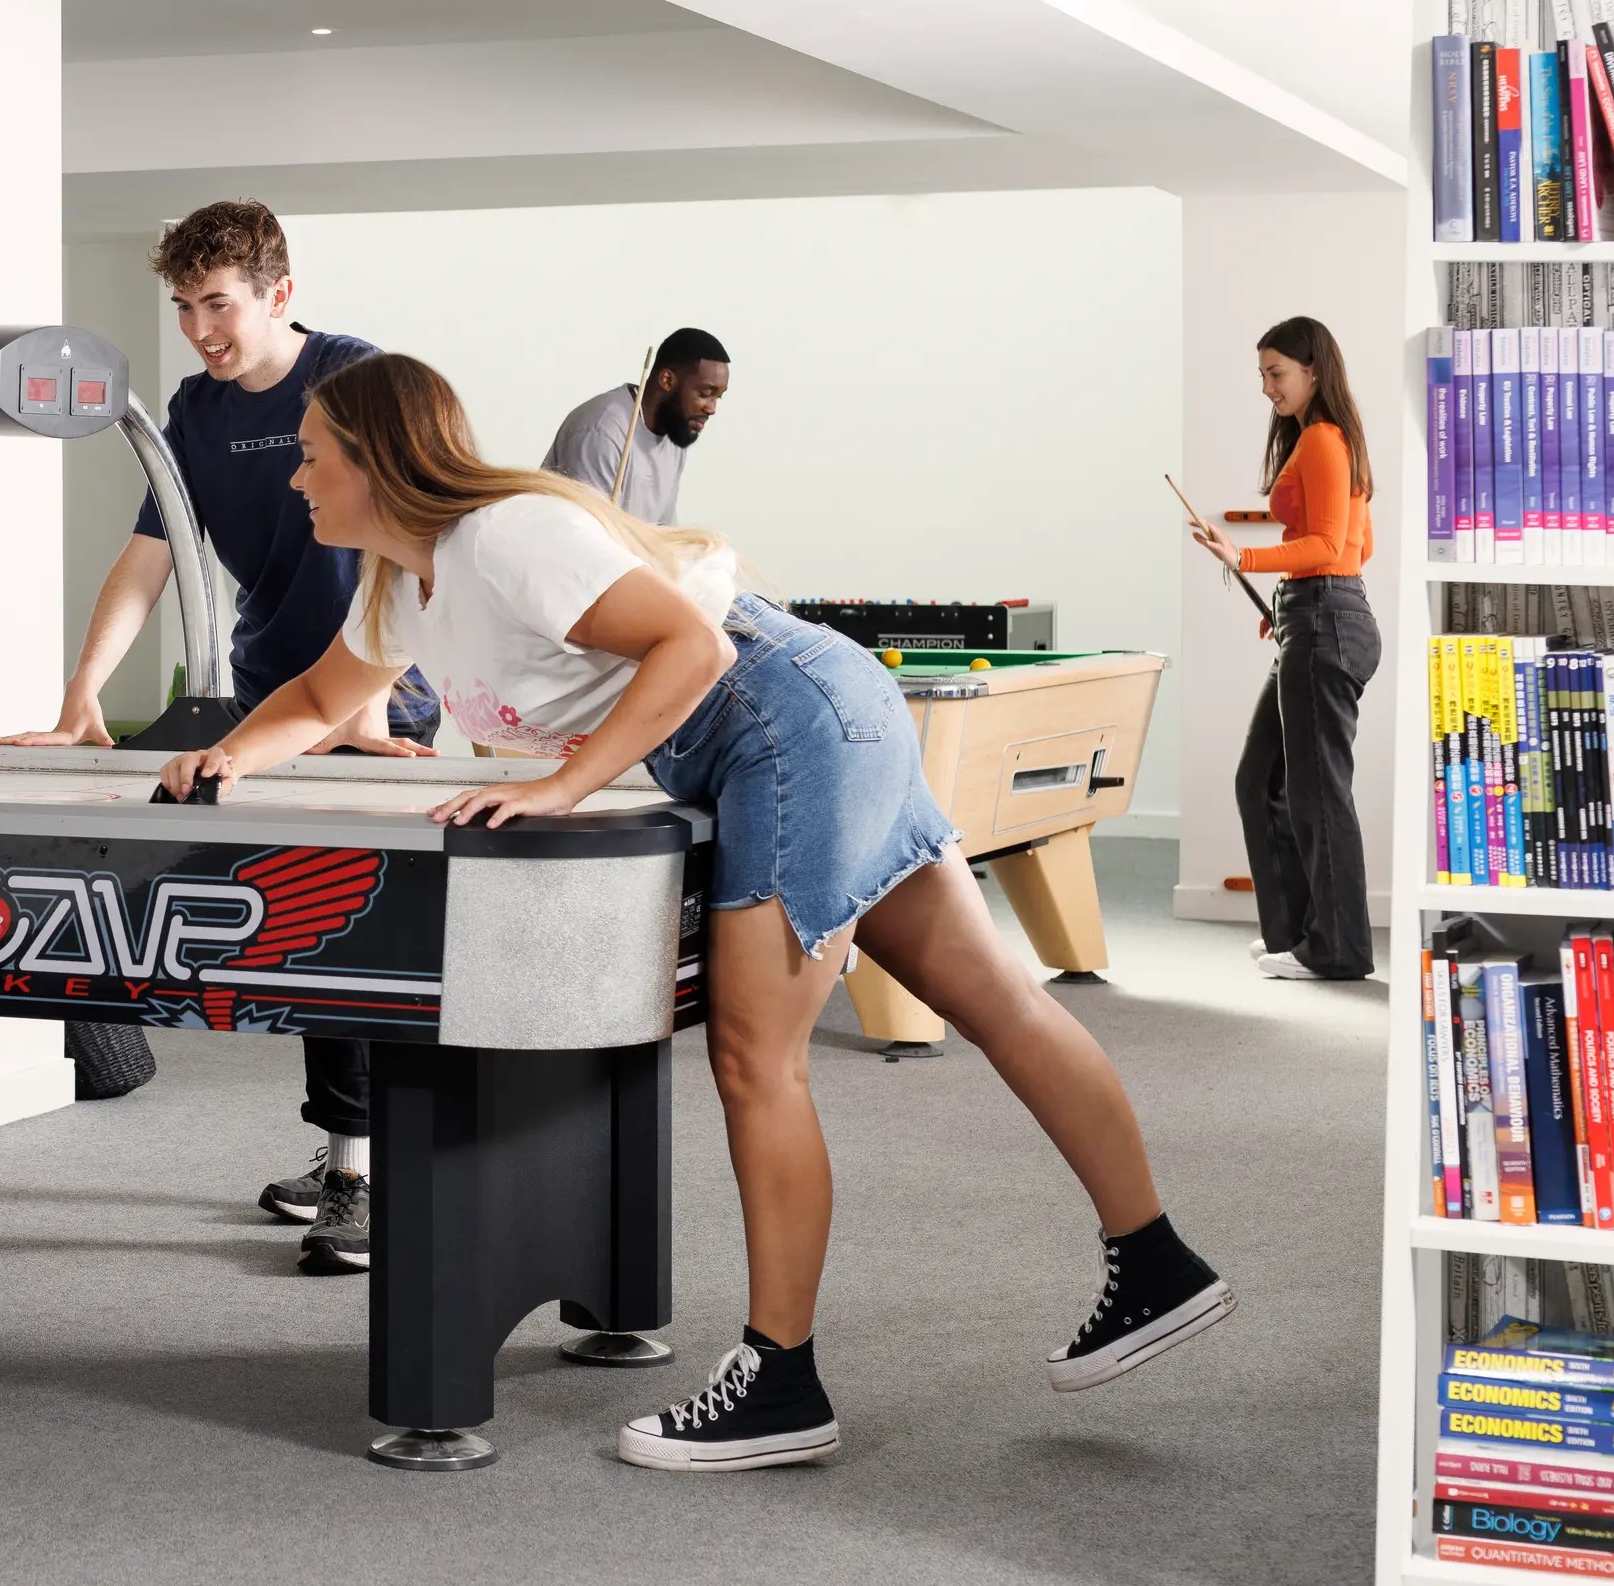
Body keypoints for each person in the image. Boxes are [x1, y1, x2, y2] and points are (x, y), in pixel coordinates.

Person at [156, 353, 1231, 1470]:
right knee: (994, 998)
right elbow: (329, 699)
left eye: (313, 456)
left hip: (776, 713)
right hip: (805, 712)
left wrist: (559, 787)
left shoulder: (505, 535)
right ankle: (1155, 1263)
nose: (297, 481)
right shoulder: (401, 582)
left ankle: (782, 1382)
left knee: (756, 1055)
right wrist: (226, 753)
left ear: (377, 462)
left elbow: (696, 644)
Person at [3, 199, 436, 1276]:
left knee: (359, 943)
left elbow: (402, 534)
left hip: (372, 698)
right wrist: (81, 697)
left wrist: (366, 707)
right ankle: (350, 1156)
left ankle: (366, 1177)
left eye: (221, 303)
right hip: (268, 699)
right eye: (186, 305)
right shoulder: (192, 412)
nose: (202, 326)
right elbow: (149, 557)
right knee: (304, 930)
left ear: (279, 293)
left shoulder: (351, 375)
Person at [1189, 316, 1379, 983]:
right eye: (1263, 375)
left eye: (1277, 373)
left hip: (1325, 620)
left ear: (1313, 371)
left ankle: (1336, 951)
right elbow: (1360, 547)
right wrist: (1289, 603)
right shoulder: (1326, 440)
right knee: (1261, 779)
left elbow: (1329, 549)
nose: (1267, 387)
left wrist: (1243, 554)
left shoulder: (1325, 440)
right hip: (1319, 615)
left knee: (1318, 794)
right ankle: (1299, 936)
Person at [540, 327, 730, 524]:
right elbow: (585, 539)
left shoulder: (675, 431)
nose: (712, 408)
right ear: (667, 380)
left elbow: (664, 534)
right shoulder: (602, 430)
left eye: (718, 396)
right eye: (705, 393)